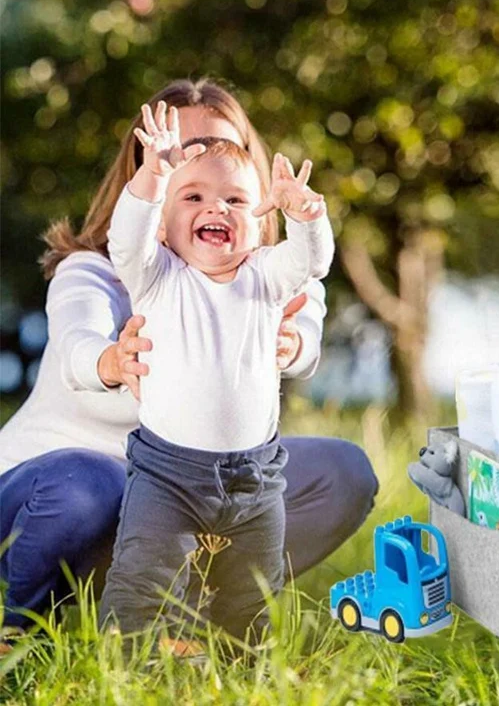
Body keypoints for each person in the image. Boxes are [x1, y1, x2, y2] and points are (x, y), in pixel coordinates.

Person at [0, 80, 379, 631]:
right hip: (52, 495)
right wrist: (111, 361)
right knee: (92, 482)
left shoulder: (270, 276)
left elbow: (307, 327)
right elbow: (76, 346)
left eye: (224, 157)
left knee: (339, 473)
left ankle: (192, 614)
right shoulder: (100, 271)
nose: (206, 173)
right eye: (182, 158)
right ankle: (16, 619)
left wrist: (292, 344)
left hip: (185, 495)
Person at [99, 101, 334, 640]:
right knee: (143, 582)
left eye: (235, 200)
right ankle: (124, 666)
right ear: (164, 225)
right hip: (168, 475)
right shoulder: (158, 276)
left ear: (260, 220)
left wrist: (307, 217)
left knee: (252, 595)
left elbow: (312, 264)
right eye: (194, 197)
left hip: (257, 476)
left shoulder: (265, 275)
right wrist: (153, 175)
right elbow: (125, 240)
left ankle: (243, 670)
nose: (217, 209)